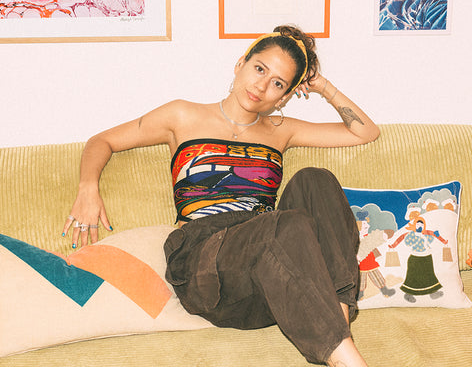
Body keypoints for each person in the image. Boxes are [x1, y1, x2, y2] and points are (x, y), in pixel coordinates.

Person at [63, 25, 380, 367]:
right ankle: (345, 355)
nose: (262, 86)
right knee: (284, 226)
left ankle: (335, 325)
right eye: (259, 69)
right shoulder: (182, 115)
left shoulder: (281, 130)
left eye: (278, 83)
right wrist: (88, 189)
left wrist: (322, 86)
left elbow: (364, 132)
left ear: (284, 97)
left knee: (315, 181)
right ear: (240, 63)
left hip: (270, 282)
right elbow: (102, 141)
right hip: (205, 269)